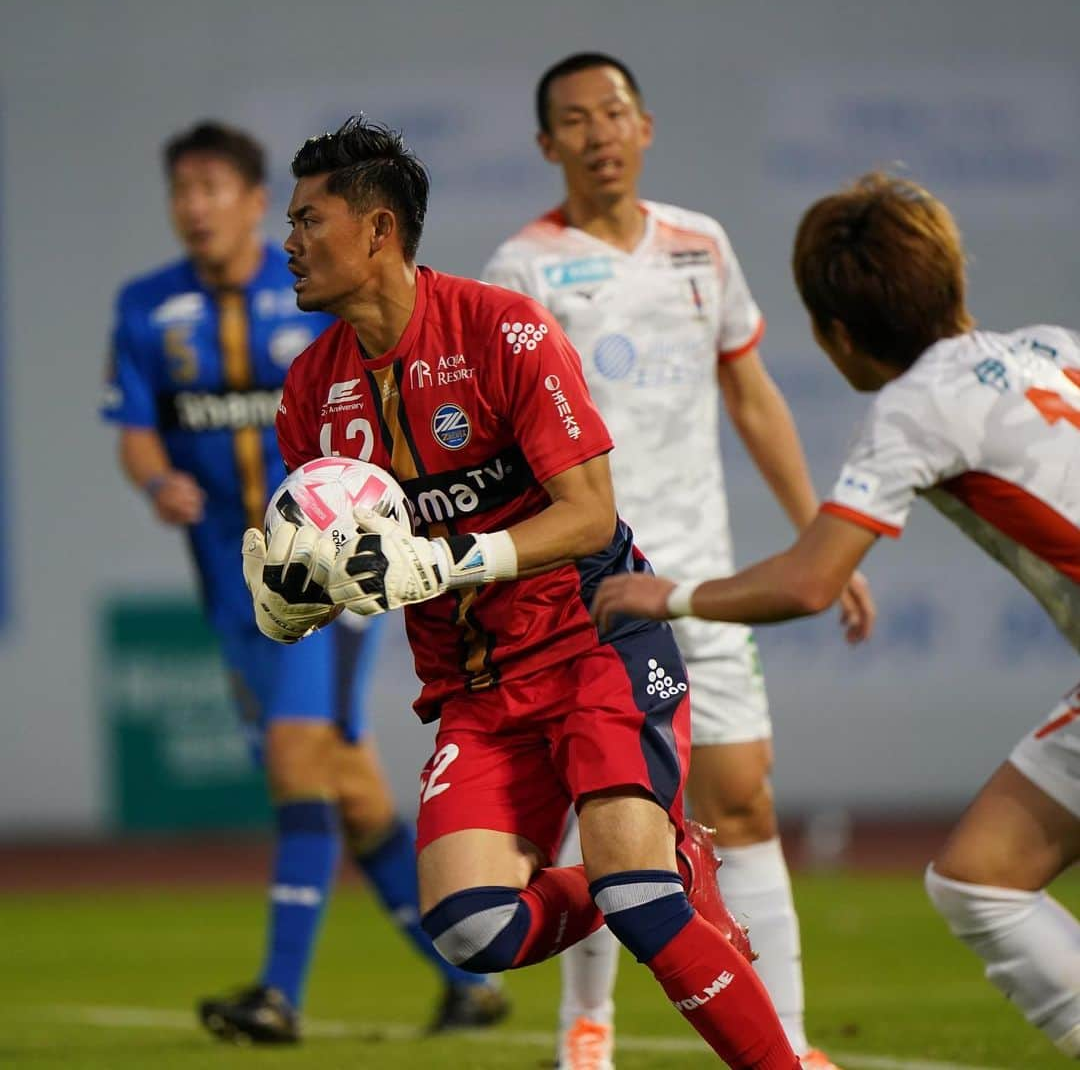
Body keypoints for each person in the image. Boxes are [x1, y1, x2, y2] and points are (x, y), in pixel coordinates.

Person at [243, 112, 808, 1069]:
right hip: (476, 692)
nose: (287, 244)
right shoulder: (310, 391)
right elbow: (360, 563)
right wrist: (303, 598)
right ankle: (668, 863)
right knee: (470, 933)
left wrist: (456, 560)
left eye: (307, 220)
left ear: (378, 231)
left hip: (595, 645)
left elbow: (588, 515)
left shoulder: (501, 327)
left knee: (635, 903)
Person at [592, 171, 1080, 1060]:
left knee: (984, 885)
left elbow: (811, 582)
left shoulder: (913, 408)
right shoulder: (1055, 348)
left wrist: (673, 594)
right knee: (981, 879)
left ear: (837, 334)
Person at [480, 52, 872, 1070]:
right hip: (589, 583)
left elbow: (749, 394)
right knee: (607, 811)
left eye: (614, 112)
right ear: (547, 145)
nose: (598, 132)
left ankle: (785, 1036)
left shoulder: (703, 246)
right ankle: (586, 1026)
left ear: (645, 126)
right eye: (575, 119)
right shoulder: (519, 272)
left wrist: (819, 531)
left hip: (701, 575)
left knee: (741, 798)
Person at [102, 120, 508, 1044]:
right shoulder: (145, 308)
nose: (194, 207)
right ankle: (466, 983)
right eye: (181, 190)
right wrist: (155, 476)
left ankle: (277, 996)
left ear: (254, 203)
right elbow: (134, 426)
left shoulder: (316, 302)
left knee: (296, 762)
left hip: (327, 583)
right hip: (233, 583)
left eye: (214, 188)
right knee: (354, 792)